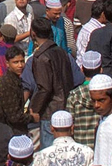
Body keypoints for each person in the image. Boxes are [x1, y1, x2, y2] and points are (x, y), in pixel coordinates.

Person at [29, 17, 74, 148]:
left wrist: (34, 110)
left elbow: (44, 88)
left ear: (33, 33)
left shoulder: (41, 57)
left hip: (50, 111)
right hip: (65, 106)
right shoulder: (61, 51)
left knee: (50, 150)